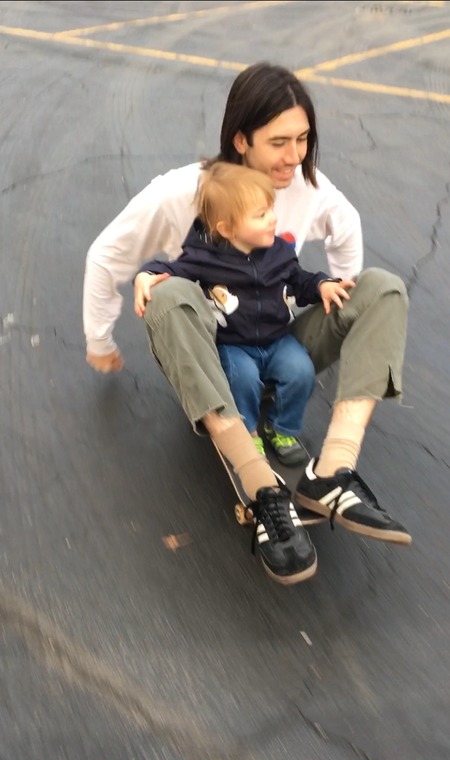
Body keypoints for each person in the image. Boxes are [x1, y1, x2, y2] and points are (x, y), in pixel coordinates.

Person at [83, 62, 412, 585]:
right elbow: (106, 256)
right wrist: (103, 334)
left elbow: (345, 231)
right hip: (214, 358)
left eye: (304, 139)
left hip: (279, 340)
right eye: (280, 142)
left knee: (384, 289)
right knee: (169, 297)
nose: (296, 156)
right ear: (241, 139)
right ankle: (262, 487)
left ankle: (330, 472)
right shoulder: (185, 192)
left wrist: (338, 290)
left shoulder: (310, 186)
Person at [137, 161, 355, 470]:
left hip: (278, 340)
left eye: (270, 210)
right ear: (226, 228)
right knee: (243, 380)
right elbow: (173, 270)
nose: (273, 220)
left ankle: (281, 429)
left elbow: (298, 278)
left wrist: (321, 284)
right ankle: (247, 430)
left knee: (301, 371)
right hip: (234, 344)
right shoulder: (206, 258)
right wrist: (146, 275)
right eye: (261, 215)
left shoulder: (279, 251)